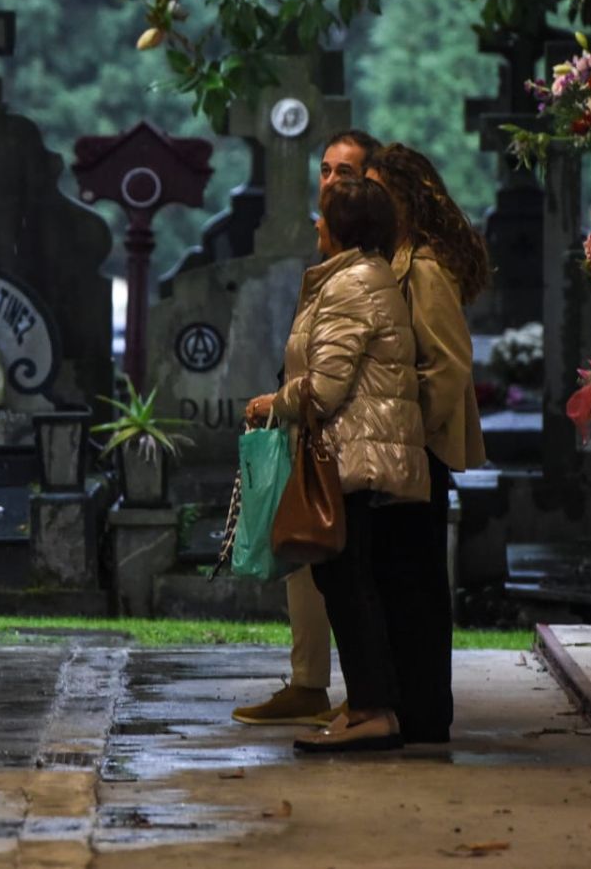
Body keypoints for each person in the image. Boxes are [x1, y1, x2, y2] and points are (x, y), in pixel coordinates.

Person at [243, 177, 427, 753]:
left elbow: (325, 387)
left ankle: (373, 709)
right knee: (346, 579)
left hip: (353, 450)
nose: (315, 225)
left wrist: (273, 403)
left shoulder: (350, 285)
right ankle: (370, 705)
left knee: (347, 583)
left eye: (323, 216)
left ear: (343, 227)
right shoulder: (359, 278)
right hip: (359, 447)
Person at [233, 128, 381, 728]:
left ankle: (363, 693)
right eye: (324, 170)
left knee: (341, 571)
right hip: (312, 432)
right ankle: (308, 681)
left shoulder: (363, 268)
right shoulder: (333, 261)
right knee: (305, 564)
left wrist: (283, 400)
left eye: (343, 173)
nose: (328, 182)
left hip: (341, 435)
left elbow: (334, 373)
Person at [361, 143, 490, 746]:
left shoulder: (426, 270)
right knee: (398, 580)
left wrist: (412, 438)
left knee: (416, 587)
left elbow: (447, 365)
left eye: (380, 192)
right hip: (403, 448)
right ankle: (406, 704)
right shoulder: (394, 259)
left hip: (418, 452)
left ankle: (425, 710)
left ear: (407, 199)